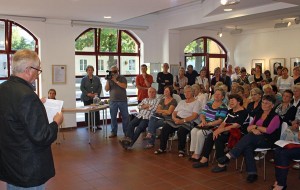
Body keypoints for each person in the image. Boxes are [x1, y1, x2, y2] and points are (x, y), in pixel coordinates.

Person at [0, 49, 64, 189]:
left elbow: (13, 118)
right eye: (38, 70)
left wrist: (36, 106)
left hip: (10, 164)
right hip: (28, 169)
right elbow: (42, 136)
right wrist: (56, 122)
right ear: (29, 70)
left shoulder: (3, 89)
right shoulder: (27, 95)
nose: (37, 74)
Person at [217, 95, 281, 183]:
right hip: (255, 138)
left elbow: (268, 130)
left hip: (268, 140)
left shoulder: (275, 117)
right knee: (248, 146)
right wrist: (254, 128)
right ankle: (252, 173)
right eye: (263, 102)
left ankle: (229, 155)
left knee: (249, 137)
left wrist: (256, 127)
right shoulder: (259, 113)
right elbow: (248, 128)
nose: (264, 105)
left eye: (267, 103)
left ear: (272, 105)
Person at [193, 94, 249, 172]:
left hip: (237, 133)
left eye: (233, 100)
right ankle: (204, 159)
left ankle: (221, 164)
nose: (231, 102)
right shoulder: (230, 111)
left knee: (218, 138)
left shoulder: (244, 112)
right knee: (211, 136)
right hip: (227, 131)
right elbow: (223, 123)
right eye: (230, 100)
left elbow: (236, 125)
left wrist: (220, 131)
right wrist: (217, 130)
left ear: (239, 102)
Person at [154, 85, 201, 156]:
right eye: (185, 92)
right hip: (177, 119)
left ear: (193, 93)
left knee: (181, 131)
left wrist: (182, 121)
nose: (186, 93)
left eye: (188, 92)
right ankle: (162, 148)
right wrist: (174, 118)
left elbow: (194, 116)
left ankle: (181, 150)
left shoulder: (197, 102)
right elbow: (174, 112)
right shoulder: (182, 102)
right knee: (165, 128)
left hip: (189, 121)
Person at [189, 88, 228, 162]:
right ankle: (194, 151)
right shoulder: (209, 103)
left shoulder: (223, 107)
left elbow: (220, 121)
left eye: (219, 94)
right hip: (205, 123)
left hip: (214, 126)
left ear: (222, 97)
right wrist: (203, 121)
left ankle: (197, 154)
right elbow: (202, 114)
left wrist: (209, 123)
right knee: (193, 131)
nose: (216, 95)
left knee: (200, 133)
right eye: (215, 94)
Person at [105, 65, 129, 138]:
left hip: (123, 100)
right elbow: (106, 89)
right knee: (113, 117)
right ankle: (113, 132)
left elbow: (124, 86)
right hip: (113, 101)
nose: (113, 73)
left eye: (115, 71)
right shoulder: (109, 79)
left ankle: (126, 132)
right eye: (112, 72)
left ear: (118, 71)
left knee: (125, 117)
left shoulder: (122, 77)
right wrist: (108, 81)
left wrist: (116, 81)